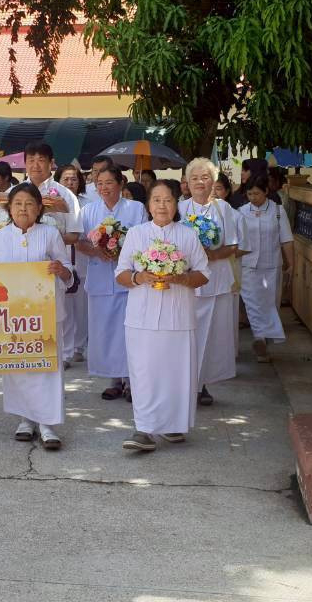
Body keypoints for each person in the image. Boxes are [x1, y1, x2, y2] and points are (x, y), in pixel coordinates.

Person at [114, 180, 210, 451]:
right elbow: (120, 273)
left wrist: (181, 278)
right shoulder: (136, 234)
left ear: (176, 203)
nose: (162, 205)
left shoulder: (187, 235)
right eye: (156, 200)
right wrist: (139, 276)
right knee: (144, 373)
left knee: (175, 372)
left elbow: (203, 274)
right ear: (148, 205)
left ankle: (172, 426)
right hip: (141, 318)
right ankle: (144, 430)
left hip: (178, 317)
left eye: (167, 200)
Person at [0, 183, 74, 449]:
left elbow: (68, 273)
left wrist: (61, 269)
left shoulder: (50, 234)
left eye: (29, 204)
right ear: (9, 208)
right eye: (17, 204)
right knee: (18, 366)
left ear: (38, 209)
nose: (23, 209)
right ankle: (25, 420)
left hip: (46, 313)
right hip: (13, 316)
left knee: (47, 366)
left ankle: (47, 424)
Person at [77, 165, 147, 399]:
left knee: (127, 331)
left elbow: (144, 240)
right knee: (104, 331)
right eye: (100, 183)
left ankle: (130, 380)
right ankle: (112, 379)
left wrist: (122, 252)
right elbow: (79, 242)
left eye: (109, 182)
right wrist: (98, 252)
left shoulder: (135, 209)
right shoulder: (88, 211)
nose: (104, 187)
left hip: (128, 279)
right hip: (99, 277)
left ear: (120, 184)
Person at [180, 158, 241, 406]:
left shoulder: (223, 209)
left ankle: (202, 384)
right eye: (194, 178)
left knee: (209, 337)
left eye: (205, 177)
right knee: (187, 335)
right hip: (186, 282)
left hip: (215, 280)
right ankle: (184, 385)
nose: (199, 182)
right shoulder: (180, 209)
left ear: (213, 181)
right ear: (186, 182)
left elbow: (234, 244)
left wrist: (212, 255)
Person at [22, 143, 80, 367]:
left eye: (41, 160)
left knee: (56, 316)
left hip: (52, 267)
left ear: (51, 163)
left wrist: (46, 239)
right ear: (25, 164)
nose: (36, 165)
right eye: (31, 160)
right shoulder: (14, 195)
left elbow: (74, 235)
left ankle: (61, 357)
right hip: (22, 270)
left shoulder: (64, 195)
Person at [237, 175, 294, 362]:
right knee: (252, 302)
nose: (253, 197)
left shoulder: (278, 211)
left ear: (266, 192)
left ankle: (264, 341)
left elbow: (286, 239)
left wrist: (290, 263)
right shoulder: (241, 212)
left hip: (272, 265)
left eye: (257, 193)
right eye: (250, 193)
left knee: (269, 304)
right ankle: (259, 338)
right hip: (248, 265)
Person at [58, 163, 89, 365]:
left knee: (82, 307)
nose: (70, 182)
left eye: (74, 179)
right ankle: (67, 352)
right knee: (66, 307)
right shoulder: (54, 202)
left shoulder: (88, 204)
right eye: (66, 179)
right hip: (64, 259)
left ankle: (80, 346)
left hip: (84, 260)